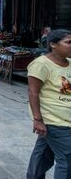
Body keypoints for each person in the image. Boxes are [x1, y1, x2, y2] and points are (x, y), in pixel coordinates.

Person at [26, 29, 71, 179]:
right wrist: (37, 120)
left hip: (66, 118)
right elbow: (33, 92)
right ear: (53, 44)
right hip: (55, 120)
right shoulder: (41, 64)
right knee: (67, 160)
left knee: (43, 154)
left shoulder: (70, 63)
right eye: (68, 42)